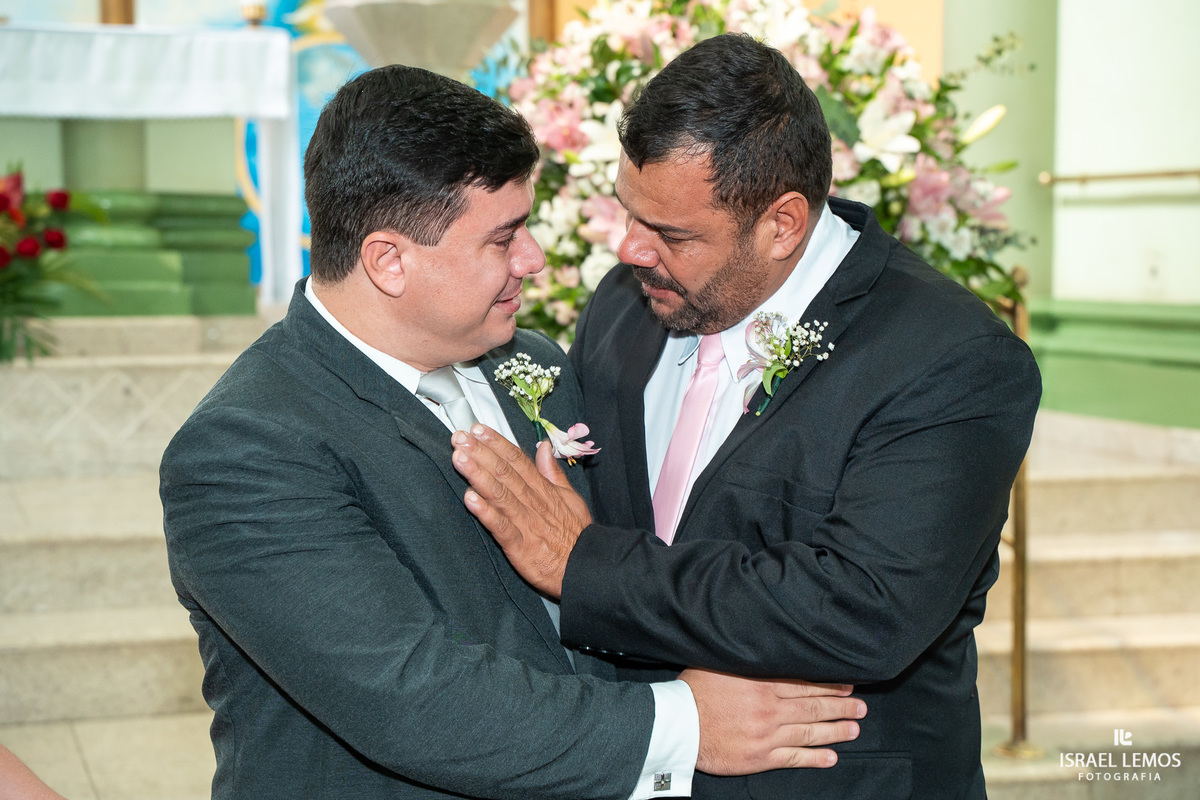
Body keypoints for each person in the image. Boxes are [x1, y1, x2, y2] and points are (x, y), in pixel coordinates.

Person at [159, 64, 866, 800]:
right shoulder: (247, 448)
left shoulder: (533, 366)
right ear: (388, 260)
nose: (533, 260)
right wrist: (687, 724)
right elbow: (413, 698)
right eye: (504, 238)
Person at [450, 33, 1042, 799]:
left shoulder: (950, 357)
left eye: (671, 234)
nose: (630, 250)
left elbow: (862, 608)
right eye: (629, 213)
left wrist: (583, 565)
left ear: (783, 223)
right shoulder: (626, 308)